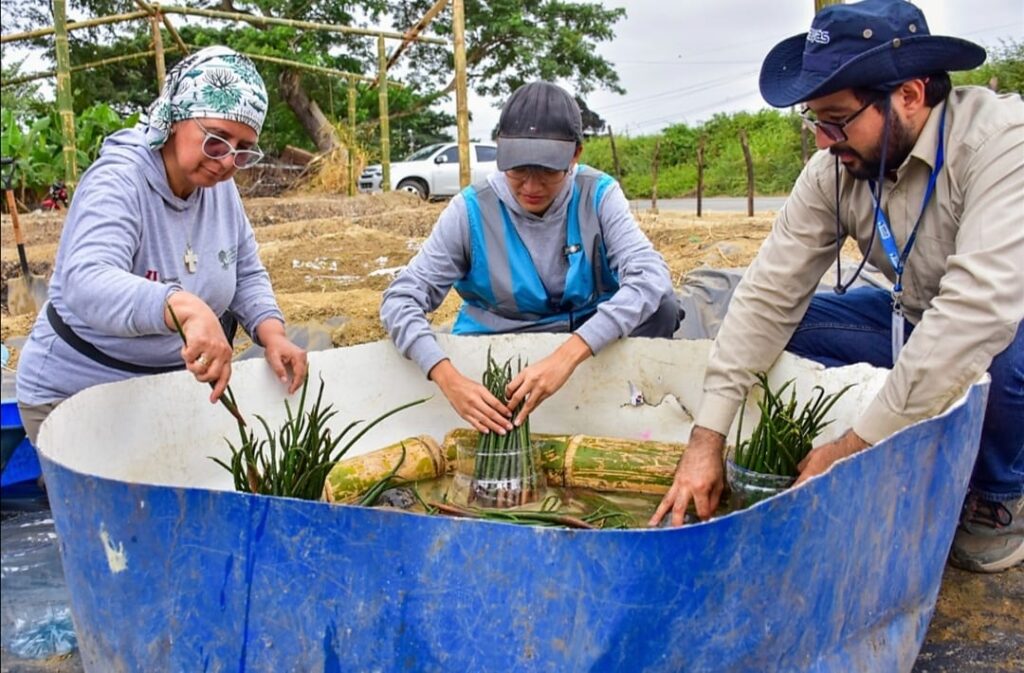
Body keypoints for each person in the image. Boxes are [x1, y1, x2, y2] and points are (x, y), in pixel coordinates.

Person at [650, 0, 1023, 573]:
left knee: (1002, 354)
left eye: (837, 119)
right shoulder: (835, 169)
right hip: (916, 316)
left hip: (1004, 321)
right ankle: (886, 440)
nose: (824, 141)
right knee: (785, 329)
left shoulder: (1001, 143)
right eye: (814, 121)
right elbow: (768, 295)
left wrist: (853, 449)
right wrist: (708, 438)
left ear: (910, 95)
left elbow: (975, 314)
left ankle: (999, 496)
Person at [16, 46, 308, 445]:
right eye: (217, 140)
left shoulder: (219, 188)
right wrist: (183, 308)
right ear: (175, 119)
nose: (226, 161)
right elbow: (86, 280)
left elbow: (244, 270)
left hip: (164, 390)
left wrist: (272, 333)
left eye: (242, 149)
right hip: (79, 395)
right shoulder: (120, 180)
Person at [381, 81, 681, 435]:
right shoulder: (471, 209)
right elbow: (400, 299)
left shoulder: (598, 194)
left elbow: (650, 276)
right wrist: (448, 378)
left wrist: (568, 354)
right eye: (519, 170)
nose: (531, 187)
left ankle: (621, 410)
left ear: (575, 156)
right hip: (496, 344)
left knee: (663, 307)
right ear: (500, 153)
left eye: (548, 171)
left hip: (584, 336)